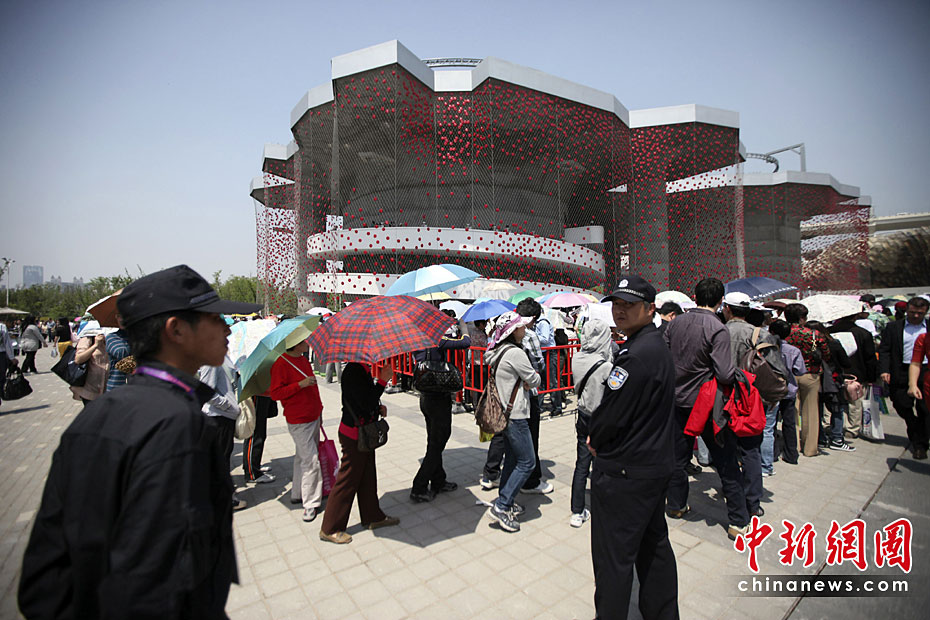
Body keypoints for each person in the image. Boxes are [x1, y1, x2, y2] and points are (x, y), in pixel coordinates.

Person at [19, 264, 261, 619]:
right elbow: (166, 581)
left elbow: (45, 580)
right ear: (176, 330)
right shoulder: (177, 427)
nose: (227, 328)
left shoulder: (96, 418)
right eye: (214, 318)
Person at [588, 275, 678, 620]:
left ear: (650, 308)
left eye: (629, 305)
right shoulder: (652, 345)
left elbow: (610, 415)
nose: (620, 311)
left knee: (614, 560)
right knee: (654, 548)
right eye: (616, 304)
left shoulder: (637, 355)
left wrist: (595, 438)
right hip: (652, 464)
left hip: (627, 473)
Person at [664, 278, 747, 538]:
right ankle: (737, 521)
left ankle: (676, 505)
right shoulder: (717, 328)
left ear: (695, 296)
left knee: (678, 459)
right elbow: (724, 373)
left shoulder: (675, 323)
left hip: (677, 401)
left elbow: (664, 358)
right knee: (726, 461)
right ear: (721, 301)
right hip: (707, 405)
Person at [319, 361, 399, 544]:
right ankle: (330, 527)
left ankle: (372, 516)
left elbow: (364, 400)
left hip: (363, 433)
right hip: (353, 434)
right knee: (347, 480)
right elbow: (364, 403)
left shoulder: (361, 368)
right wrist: (382, 382)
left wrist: (378, 408)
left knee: (367, 476)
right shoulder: (354, 371)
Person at [722, 292, 787, 484]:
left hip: (724, 397)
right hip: (752, 398)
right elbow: (777, 369)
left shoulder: (719, 332)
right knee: (751, 448)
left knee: (727, 447)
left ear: (727, 309)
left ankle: (732, 488)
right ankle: (753, 494)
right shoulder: (761, 335)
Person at [484, 311, 540, 533]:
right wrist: (530, 379)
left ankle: (505, 497)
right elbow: (535, 378)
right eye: (522, 326)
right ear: (513, 330)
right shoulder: (515, 353)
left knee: (512, 459)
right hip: (515, 413)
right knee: (527, 462)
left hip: (504, 412)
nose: (525, 329)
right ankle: (503, 504)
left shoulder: (498, 350)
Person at [410, 316, 471, 502]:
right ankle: (419, 486)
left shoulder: (414, 340)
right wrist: (463, 326)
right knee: (439, 441)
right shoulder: (437, 339)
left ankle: (438, 480)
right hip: (438, 397)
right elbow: (465, 342)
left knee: (433, 440)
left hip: (425, 397)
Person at [269, 339, 323, 521]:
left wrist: (320, 409)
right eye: (304, 341)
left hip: (313, 414)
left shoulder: (303, 359)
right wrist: (300, 385)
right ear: (295, 344)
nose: (307, 343)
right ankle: (311, 503)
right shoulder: (281, 363)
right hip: (298, 419)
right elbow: (275, 393)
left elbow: (313, 387)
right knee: (311, 460)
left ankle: (298, 492)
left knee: (302, 457)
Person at [569, 317, 613, 528]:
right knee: (602, 465)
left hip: (583, 413)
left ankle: (577, 510)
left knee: (582, 464)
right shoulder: (606, 366)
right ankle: (603, 506)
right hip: (601, 418)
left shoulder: (577, 357)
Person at [879, 296, 929, 459]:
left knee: (925, 409)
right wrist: (884, 370)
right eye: (913, 312)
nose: (916, 316)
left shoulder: (927, 328)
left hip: (925, 371)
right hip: (900, 370)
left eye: (920, 313)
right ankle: (914, 425)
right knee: (901, 404)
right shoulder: (893, 327)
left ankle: (920, 444)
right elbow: (885, 350)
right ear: (907, 310)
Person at [199, 352, 248, 510]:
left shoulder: (222, 356)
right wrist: (227, 405)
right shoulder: (211, 360)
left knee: (223, 457)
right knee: (220, 460)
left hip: (225, 416)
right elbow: (206, 391)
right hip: (218, 417)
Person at [784, 303, 832, 457]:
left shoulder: (784, 333)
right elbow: (826, 354)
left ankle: (794, 445)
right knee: (811, 411)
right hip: (811, 373)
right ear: (802, 318)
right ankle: (810, 448)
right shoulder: (814, 334)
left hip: (789, 373)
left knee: (792, 410)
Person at [829, 312, 878, 439]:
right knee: (855, 402)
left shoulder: (830, 331)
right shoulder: (863, 333)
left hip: (835, 372)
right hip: (858, 373)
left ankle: (830, 425)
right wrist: (872, 377)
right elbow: (870, 357)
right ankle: (852, 429)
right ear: (855, 317)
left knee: (834, 402)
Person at [808, 321, 855, 452]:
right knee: (837, 409)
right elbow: (846, 363)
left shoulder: (806, 345)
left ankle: (820, 438)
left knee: (817, 410)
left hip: (814, 380)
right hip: (833, 381)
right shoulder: (833, 344)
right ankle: (837, 438)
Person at [768, 320, 807, 465]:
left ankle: (772, 454)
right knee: (789, 423)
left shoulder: (768, 349)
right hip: (789, 390)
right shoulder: (794, 351)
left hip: (772, 390)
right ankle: (791, 454)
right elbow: (800, 370)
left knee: (770, 424)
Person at [243, 394, 278, 483]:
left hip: (263, 393)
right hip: (257, 393)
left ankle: (254, 466)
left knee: (260, 434)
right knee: (255, 434)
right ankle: (252, 473)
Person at [69, 327, 109, 405]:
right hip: (90, 388)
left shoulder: (112, 337)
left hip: (108, 387)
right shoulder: (88, 337)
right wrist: (96, 345)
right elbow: (78, 359)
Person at [535, 308, 563, 414]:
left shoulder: (543, 322)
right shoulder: (538, 323)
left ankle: (557, 407)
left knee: (552, 381)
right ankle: (539, 406)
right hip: (543, 353)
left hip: (549, 353)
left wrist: (533, 336)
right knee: (541, 381)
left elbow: (545, 339)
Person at [105, 316, 133, 391]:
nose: (121, 319)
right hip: (116, 389)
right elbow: (120, 353)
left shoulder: (142, 337)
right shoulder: (112, 337)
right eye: (118, 316)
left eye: (125, 315)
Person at [0, 319, 17, 410]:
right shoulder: (1, 327)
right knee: (1, 379)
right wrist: (11, 357)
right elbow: (7, 343)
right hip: (1, 355)